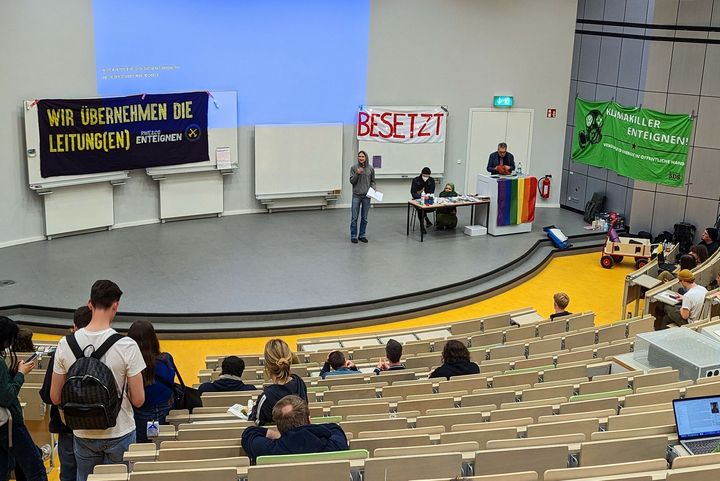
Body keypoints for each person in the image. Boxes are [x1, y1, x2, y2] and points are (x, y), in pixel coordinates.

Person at [50, 280, 146, 481]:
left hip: (83, 432)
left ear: (89, 304)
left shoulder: (65, 344)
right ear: (115, 305)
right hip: (119, 430)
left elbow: (55, 397)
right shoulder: (127, 346)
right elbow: (138, 400)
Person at [39, 307, 92, 481]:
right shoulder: (112, 345)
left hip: (68, 424)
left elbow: (49, 395)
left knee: (69, 474)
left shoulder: (63, 348)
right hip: (98, 425)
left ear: (74, 326)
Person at [0, 317, 47, 481]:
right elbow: (6, 397)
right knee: (35, 467)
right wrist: (20, 374)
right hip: (8, 423)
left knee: (3, 467)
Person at [242, 395, 348, 464]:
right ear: (309, 419)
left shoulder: (270, 450)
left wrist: (274, 434)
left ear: (279, 427)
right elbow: (334, 427)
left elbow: (249, 433)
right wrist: (310, 427)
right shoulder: (335, 445)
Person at [126, 320, 176, 443]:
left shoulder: (132, 366)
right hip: (166, 411)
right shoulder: (167, 359)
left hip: (140, 415)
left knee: (141, 448)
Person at [249, 339, 307, 426]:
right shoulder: (300, 383)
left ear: (267, 365)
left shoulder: (266, 397)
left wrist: (254, 409)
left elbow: (258, 422)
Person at [349, 150, 376, 244]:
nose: (361, 158)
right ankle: (353, 236)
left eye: (362, 156)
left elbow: (373, 181)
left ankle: (362, 235)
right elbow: (352, 181)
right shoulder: (353, 167)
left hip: (366, 196)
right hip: (356, 195)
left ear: (366, 157)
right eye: (359, 156)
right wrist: (357, 173)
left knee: (364, 217)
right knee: (354, 217)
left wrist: (373, 189)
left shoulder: (371, 168)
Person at [410, 167, 436, 234]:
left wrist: (426, 196)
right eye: (424, 176)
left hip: (428, 200)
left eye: (427, 176)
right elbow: (413, 193)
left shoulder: (431, 180)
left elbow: (431, 192)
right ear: (421, 173)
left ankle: (428, 221)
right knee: (420, 208)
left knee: (432, 207)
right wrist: (421, 196)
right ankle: (422, 226)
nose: (426, 177)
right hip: (418, 199)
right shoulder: (416, 180)